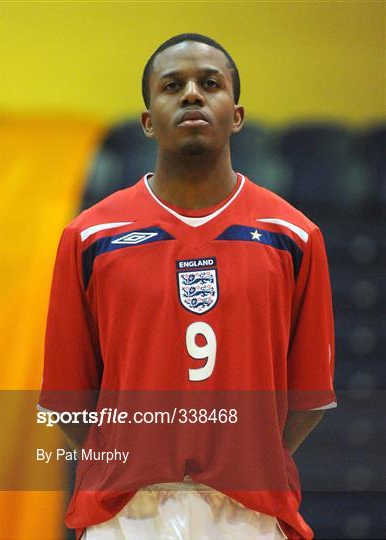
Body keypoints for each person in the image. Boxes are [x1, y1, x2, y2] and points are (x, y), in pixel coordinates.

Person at [39, 33, 337, 540]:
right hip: (127, 513)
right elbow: (68, 399)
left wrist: (243, 458)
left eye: (210, 83)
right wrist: (132, 464)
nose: (193, 95)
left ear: (237, 114)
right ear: (148, 120)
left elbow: (308, 398)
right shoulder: (89, 236)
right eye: (173, 85)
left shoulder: (294, 237)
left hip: (248, 512)